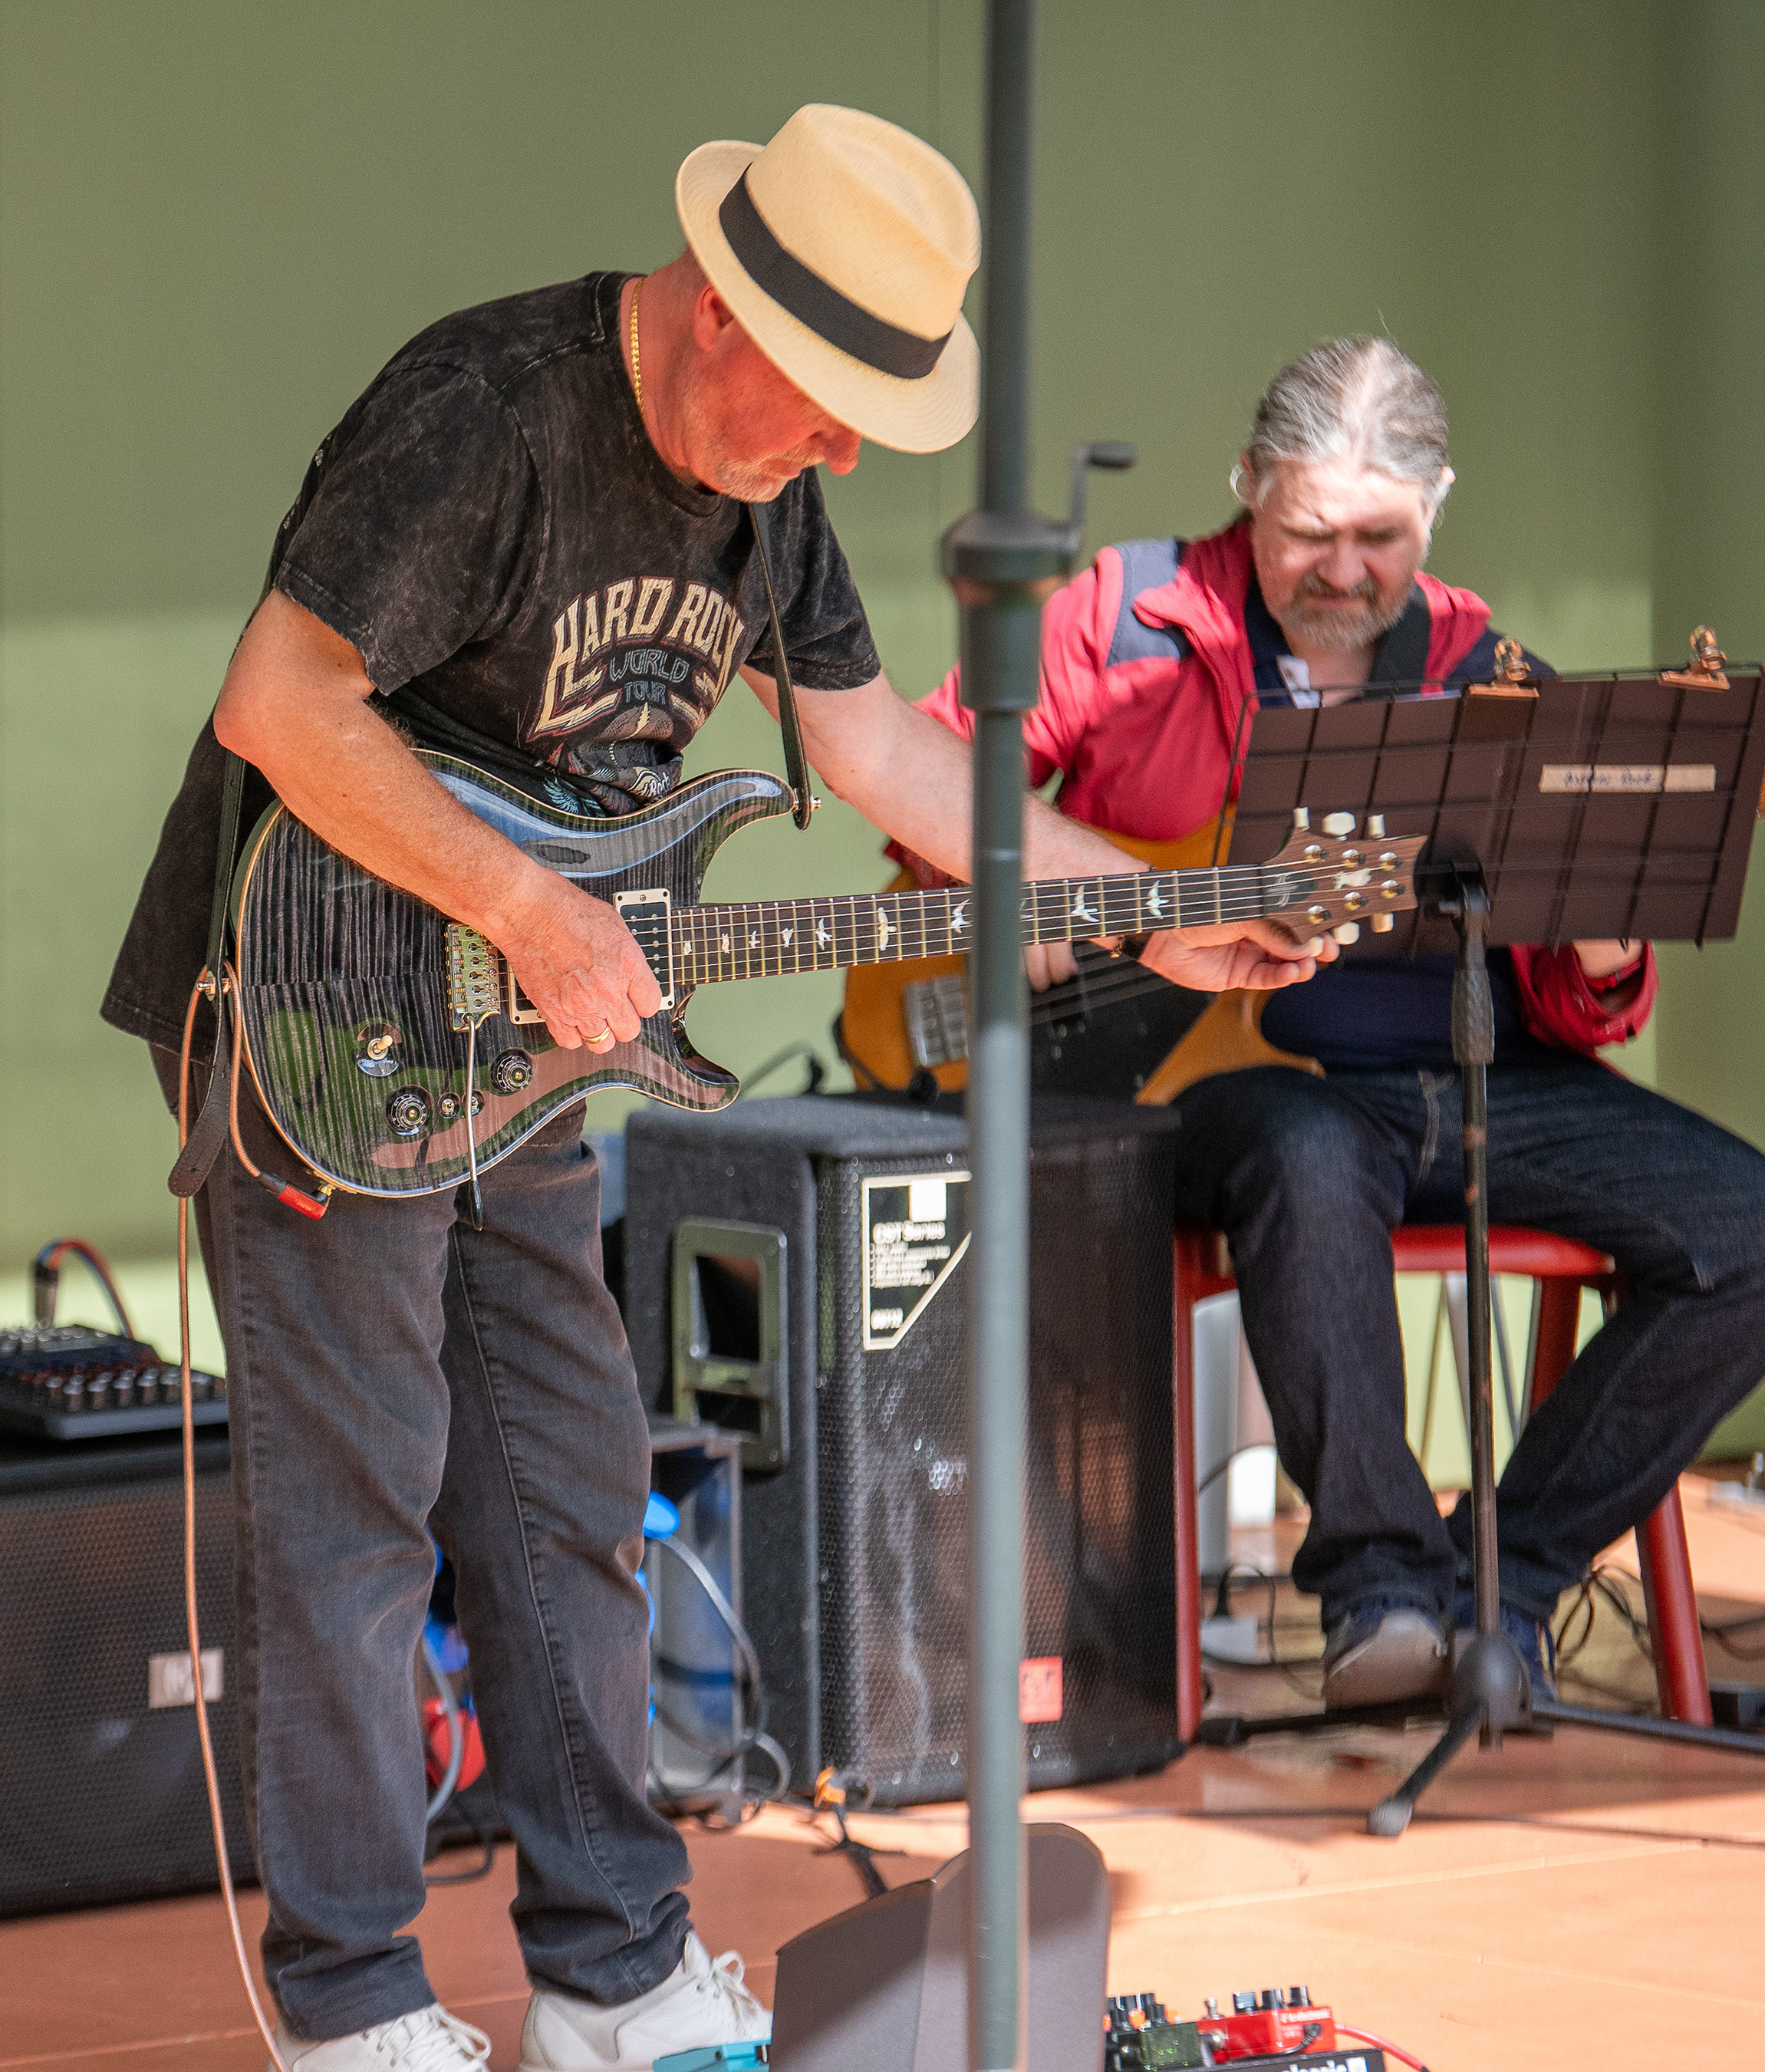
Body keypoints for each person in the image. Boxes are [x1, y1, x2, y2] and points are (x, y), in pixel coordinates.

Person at [100, 109, 1319, 2072]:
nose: (840, 447)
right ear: (726, 318)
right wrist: (519, 904)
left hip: (527, 1043)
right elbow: (278, 700)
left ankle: (610, 1968)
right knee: (354, 1525)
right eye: (828, 401)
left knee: (571, 1486)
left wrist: (1150, 913)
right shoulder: (484, 411)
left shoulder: (768, 500)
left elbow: (894, 771)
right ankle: (348, 2011)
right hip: (318, 1010)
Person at [906, 336, 1765, 1710]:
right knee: (1308, 1154)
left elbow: (1574, 1008)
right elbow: (925, 769)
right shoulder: (1128, 618)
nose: (1342, 572)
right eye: (1305, 535)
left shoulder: (1494, 673)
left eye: (1380, 538)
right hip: (1229, 1079)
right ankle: (1380, 1596)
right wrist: (1027, 886)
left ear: (1438, 506)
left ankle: (1497, 1590)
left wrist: (1603, 940)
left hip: (1466, 1076)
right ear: (1246, 489)